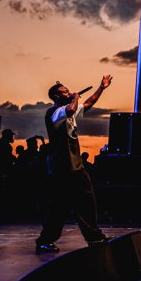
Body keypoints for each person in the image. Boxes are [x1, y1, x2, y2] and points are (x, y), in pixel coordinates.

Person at [34, 76, 112, 254]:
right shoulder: (54, 113)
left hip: (76, 166)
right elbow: (71, 109)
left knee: (87, 202)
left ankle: (94, 237)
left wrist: (101, 87)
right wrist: (75, 97)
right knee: (58, 207)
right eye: (64, 91)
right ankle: (44, 241)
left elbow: (89, 103)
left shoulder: (69, 109)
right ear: (55, 96)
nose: (68, 92)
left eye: (68, 91)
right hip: (61, 167)